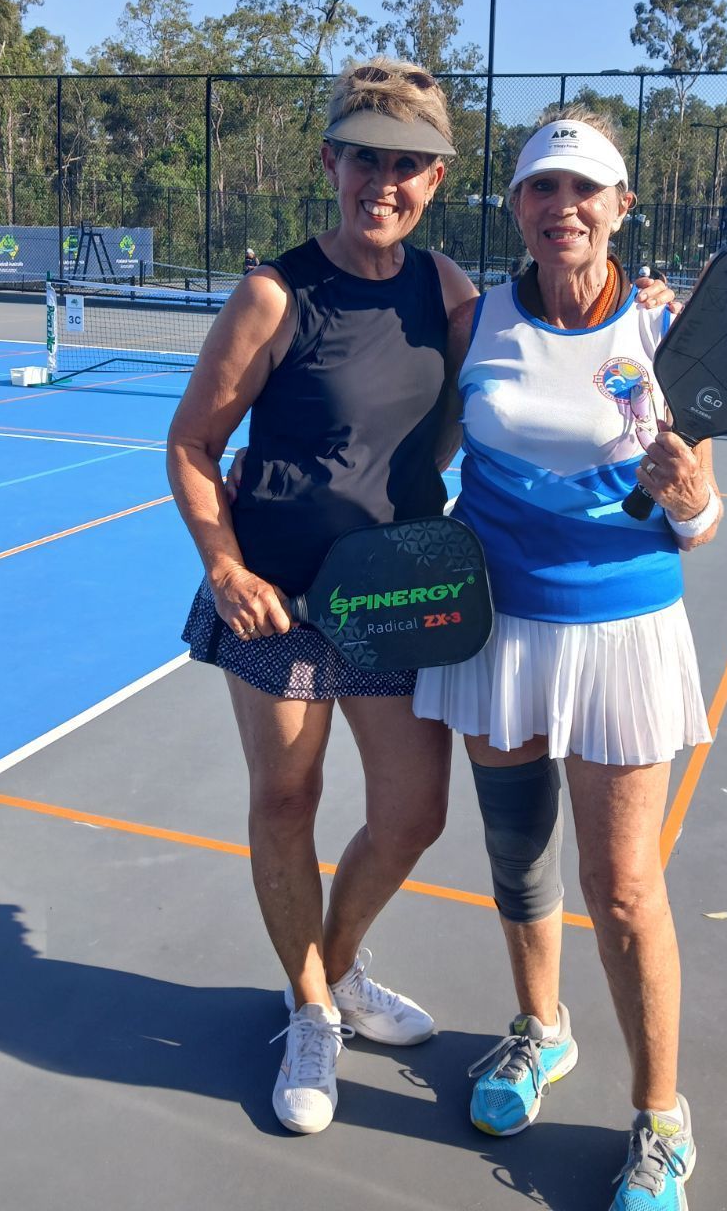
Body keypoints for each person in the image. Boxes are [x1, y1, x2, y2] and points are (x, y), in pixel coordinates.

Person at [414, 107, 721, 1211]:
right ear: (517, 207)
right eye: (542, 187)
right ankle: (541, 1029)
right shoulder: (478, 320)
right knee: (516, 851)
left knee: (624, 889)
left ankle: (661, 1119)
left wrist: (691, 498)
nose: (564, 207)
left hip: (624, 634)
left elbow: (701, 519)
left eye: (585, 188)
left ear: (621, 206)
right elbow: (428, 458)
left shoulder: (667, 330)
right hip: (496, 626)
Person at [166, 59, 477, 1135]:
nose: (383, 182)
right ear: (332, 161)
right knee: (286, 801)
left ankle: (333, 970)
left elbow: (469, 419)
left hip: (394, 600)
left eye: (407, 164)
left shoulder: (447, 292)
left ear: (435, 179)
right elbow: (194, 443)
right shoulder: (275, 294)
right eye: (364, 158)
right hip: (280, 602)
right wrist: (227, 567)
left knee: (412, 816)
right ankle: (310, 1014)